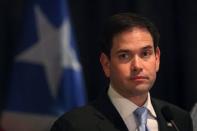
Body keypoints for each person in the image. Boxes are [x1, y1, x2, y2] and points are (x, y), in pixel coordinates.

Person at [50, 12, 193, 131]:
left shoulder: (179, 120)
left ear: (157, 58)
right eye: (124, 56)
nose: (137, 65)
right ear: (106, 64)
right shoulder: (73, 126)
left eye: (145, 54)